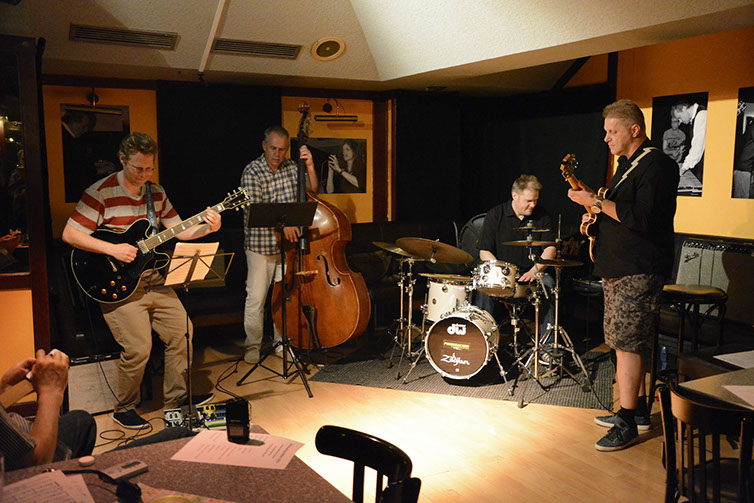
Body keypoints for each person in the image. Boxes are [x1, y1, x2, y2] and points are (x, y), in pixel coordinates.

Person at [62, 132, 221, 429]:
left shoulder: (155, 193)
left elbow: (180, 230)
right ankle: (123, 408)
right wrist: (112, 249)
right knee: (138, 348)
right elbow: (70, 234)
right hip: (117, 284)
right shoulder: (101, 192)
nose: (144, 175)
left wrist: (208, 228)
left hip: (152, 279)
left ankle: (175, 402)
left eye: (149, 169)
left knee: (183, 333)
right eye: (138, 168)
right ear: (122, 160)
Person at [568, 99, 678, 451]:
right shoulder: (628, 166)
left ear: (635, 129)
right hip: (619, 268)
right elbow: (620, 214)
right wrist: (595, 215)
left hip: (638, 268)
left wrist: (597, 202)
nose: (606, 138)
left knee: (628, 344)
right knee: (624, 342)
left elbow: (643, 218)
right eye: (605, 132)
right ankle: (638, 410)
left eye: (612, 131)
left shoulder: (657, 165)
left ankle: (627, 421)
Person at [240, 126, 318, 364]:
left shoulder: (292, 168)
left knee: (284, 299)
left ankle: (281, 344)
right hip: (260, 247)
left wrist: (310, 165)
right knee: (257, 300)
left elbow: (313, 191)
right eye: (273, 148)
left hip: (287, 249)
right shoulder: (252, 171)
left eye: (282, 149)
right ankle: (252, 346)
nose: (277, 154)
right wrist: (283, 226)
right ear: (264, 146)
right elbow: (255, 210)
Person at [476, 174, 558, 340]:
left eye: (535, 200)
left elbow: (550, 249)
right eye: (529, 201)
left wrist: (535, 270)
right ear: (515, 196)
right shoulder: (495, 215)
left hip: (533, 273)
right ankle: (483, 341)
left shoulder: (543, 216)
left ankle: (547, 346)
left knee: (548, 285)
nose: (533, 205)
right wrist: (501, 272)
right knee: (484, 286)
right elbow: (484, 251)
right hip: (502, 274)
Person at [0, 350, 96, 470]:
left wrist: (3, 389)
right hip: (28, 466)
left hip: (18, 435)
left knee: (82, 419)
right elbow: (37, 464)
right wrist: (51, 391)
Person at [671, 101, 707, 184]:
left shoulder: (702, 115)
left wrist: (684, 167)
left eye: (679, 117)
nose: (680, 122)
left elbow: (698, 145)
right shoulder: (696, 117)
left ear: (684, 108)